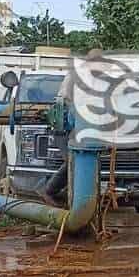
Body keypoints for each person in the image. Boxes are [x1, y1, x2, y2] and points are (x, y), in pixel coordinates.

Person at [41, 49, 102, 206]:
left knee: (82, 162)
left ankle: (75, 198)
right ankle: (49, 191)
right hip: (64, 126)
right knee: (73, 160)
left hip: (77, 128)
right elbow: (71, 104)